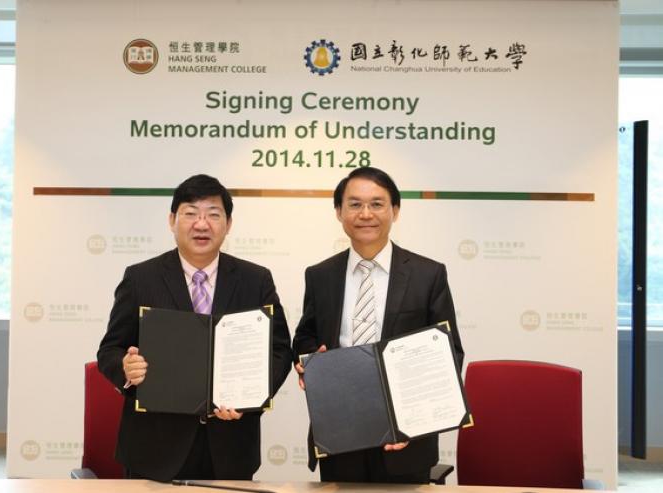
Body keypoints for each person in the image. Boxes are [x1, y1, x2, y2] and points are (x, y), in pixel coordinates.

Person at [98, 174, 292, 482]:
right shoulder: (140, 279)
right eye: (190, 213)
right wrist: (124, 366)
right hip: (155, 447)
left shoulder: (256, 280)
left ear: (228, 224)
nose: (202, 224)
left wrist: (252, 395)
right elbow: (110, 349)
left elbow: (279, 350)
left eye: (213, 215)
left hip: (230, 445)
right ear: (172, 220)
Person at [292, 167, 464, 483]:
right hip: (339, 433)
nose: (366, 214)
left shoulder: (428, 275)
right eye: (355, 204)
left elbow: (449, 354)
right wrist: (309, 360)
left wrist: (417, 420)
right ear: (339, 212)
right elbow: (305, 336)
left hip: (406, 440)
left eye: (377, 204)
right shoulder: (320, 275)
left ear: (395, 211)